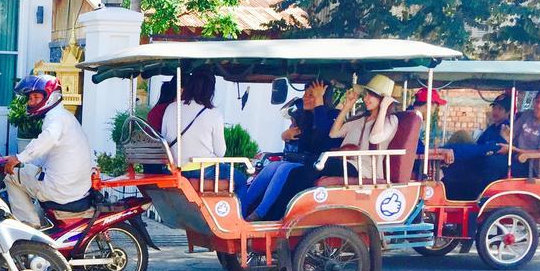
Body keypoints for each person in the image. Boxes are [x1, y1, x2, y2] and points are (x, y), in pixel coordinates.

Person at [1, 75, 94, 227]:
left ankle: (29, 225)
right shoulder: (65, 117)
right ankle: (39, 220)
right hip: (75, 187)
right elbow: (45, 154)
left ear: (52, 96)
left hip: (61, 190)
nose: (31, 102)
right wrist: (19, 159)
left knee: (9, 176)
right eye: (30, 98)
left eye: (36, 97)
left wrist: (19, 158)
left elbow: (47, 139)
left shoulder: (55, 118)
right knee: (28, 173)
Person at [243, 80, 340, 220]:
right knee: (273, 166)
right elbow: (302, 142)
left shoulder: (333, 115)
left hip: (323, 165)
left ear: (322, 97)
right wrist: (285, 135)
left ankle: (260, 213)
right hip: (305, 161)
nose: (305, 98)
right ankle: (244, 205)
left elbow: (323, 135)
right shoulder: (305, 116)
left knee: (283, 168)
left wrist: (319, 101)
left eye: (311, 95)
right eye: (305, 94)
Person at [433, 94, 511, 200]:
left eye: (500, 109)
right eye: (494, 108)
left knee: (462, 135)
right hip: (481, 152)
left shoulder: (506, 128)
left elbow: (497, 147)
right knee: (461, 137)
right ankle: (443, 154)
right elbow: (480, 144)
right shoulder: (492, 127)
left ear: (508, 112)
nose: (495, 111)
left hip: (489, 156)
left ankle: (442, 154)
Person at [328, 74, 400, 180]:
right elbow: (333, 134)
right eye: (365, 95)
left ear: (382, 98)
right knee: (303, 169)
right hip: (347, 163)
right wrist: (347, 106)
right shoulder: (359, 118)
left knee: (320, 168)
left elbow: (374, 138)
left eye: (370, 95)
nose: (365, 99)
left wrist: (384, 107)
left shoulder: (390, 120)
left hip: (366, 170)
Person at [161, 70, 226, 168]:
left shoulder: (171, 107)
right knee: (241, 178)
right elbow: (220, 152)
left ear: (189, 86)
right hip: (202, 169)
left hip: (173, 168)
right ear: (211, 91)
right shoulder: (215, 114)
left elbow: (164, 138)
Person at [499, 87, 540, 176]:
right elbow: (512, 133)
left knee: (494, 163)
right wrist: (505, 137)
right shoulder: (528, 114)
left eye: (538, 102)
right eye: (534, 101)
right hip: (512, 156)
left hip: (530, 167)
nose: (534, 105)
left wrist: (513, 149)